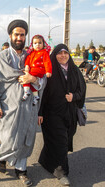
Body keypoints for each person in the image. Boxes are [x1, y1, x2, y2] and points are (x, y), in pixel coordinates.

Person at [0, 19, 46, 186]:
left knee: (26, 138)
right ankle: (1, 156)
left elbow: (43, 80)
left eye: (22, 34)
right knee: (10, 137)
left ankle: (22, 171)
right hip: (8, 107)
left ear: (25, 36)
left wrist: (33, 78)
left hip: (29, 106)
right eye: (16, 34)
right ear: (10, 36)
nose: (19, 37)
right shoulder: (1, 58)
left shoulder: (33, 56)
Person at [38, 44, 86, 186]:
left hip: (69, 113)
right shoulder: (49, 71)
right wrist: (39, 113)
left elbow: (82, 89)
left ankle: (44, 160)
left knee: (62, 140)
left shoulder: (74, 70)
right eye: (60, 53)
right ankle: (62, 172)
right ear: (54, 55)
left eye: (66, 53)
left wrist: (74, 96)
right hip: (51, 114)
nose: (63, 55)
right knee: (60, 142)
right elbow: (42, 95)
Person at [22, 34, 52, 105]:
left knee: (25, 77)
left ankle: (26, 91)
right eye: (35, 43)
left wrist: (48, 71)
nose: (37, 45)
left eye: (39, 43)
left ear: (43, 44)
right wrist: (26, 66)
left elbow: (47, 62)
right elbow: (28, 60)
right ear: (32, 44)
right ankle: (36, 96)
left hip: (39, 71)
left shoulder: (44, 53)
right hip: (32, 71)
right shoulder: (31, 53)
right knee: (32, 83)